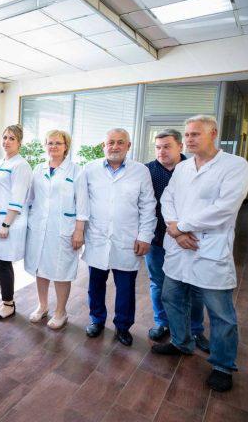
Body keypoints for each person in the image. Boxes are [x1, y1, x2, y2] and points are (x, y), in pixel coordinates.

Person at [152, 115, 248, 393]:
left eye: (195, 134)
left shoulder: (235, 166)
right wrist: (175, 229)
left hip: (209, 248)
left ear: (213, 133)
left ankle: (222, 365)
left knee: (220, 312)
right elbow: (167, 198)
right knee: (172, 297)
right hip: (178, 247)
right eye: (187, 135)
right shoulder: (183, 167)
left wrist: (182, 227)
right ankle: (181, 342)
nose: (189, 139)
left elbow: (225, 208)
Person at [78, 128, 156, 346]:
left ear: (128, 146)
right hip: (97, 237)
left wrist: (145, 236)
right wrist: (79, 231)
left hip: (127, 239)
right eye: (110, 142)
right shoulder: (90, 169)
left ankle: (123, 326)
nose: (115, 146)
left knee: (125, 287)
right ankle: (96, 320)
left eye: (120, 142)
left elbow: (148, 206)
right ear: (103, 145)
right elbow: (82, 203)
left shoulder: (140, 171)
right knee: (95, 284)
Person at [144, 129, 208, 350]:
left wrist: (182, 232)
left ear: (180, 146)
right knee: (158, 283)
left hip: (191, 240)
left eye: (167, 146)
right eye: (158, 147)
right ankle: (163, 323)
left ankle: (195, 330)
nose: (161, 151)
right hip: (157, 239)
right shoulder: (147, 171)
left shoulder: (194, 169)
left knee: (194, 287)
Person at [24, 130, 85, 329]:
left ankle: (61, 311)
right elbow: (30, 199)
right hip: (39, 227)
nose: (54, 146)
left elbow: (83, 204)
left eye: (58, 143)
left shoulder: (76, 171)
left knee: (61, 270)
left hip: (63, 229)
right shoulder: (38, 169)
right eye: (50, 143)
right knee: (40, 268)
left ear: (66, 146)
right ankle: (42, 306)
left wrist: (79, 231)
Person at [0, 125, 32, 321]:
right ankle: (6, 301)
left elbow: (17, 197)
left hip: (8, 222)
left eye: (12, 138)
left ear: (19, 142)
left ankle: (9, 305)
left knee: (2, 263)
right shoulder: (1, 162)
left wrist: (6, 224)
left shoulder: (21, 165)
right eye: (4, 137)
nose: (6, 141)